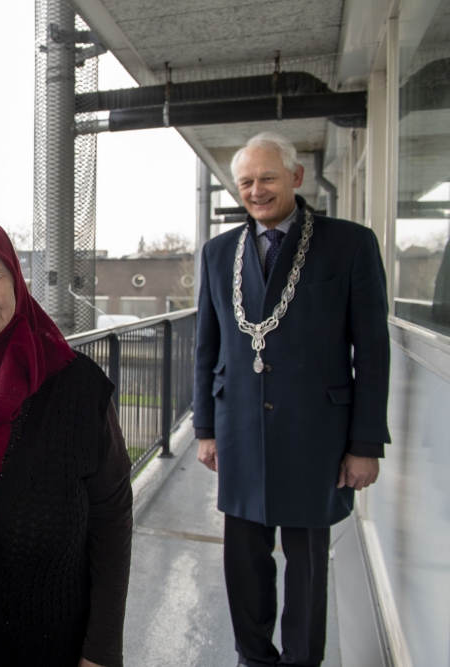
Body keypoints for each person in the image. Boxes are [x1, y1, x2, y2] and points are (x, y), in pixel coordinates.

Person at [193, 132, 390, 667]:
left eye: (268, 179)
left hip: (315, 433)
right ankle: (253, 657)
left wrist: (365, 443)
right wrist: (205, 430)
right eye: (246, 183)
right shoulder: (217, 253)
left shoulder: (349, 244)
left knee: (306, 563)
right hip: (238, 430)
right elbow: (206, 346)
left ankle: (303, 660)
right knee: (244, 559)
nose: (256, 191)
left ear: (297, 178)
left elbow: (371, 349)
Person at [0, 218, 133, 667]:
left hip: (49, 640)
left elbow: (111, 519)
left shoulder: (77, 387)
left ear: (17, 278)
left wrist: (103, 649)